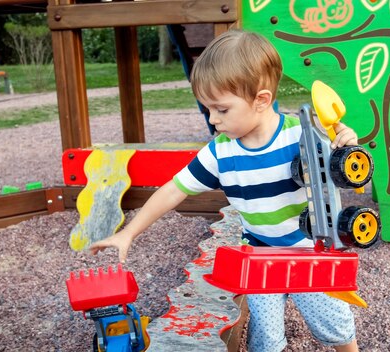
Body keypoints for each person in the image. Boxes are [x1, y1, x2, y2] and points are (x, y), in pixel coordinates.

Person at [89, 29, 360, 352]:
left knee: (334, 325)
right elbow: (174, 190)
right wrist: (129, 232)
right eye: (208, 110)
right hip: (258, 256)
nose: (213, 119)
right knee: (267, 340)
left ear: (261, 100)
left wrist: (345, 143)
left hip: (310, 252)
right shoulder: (221, 152)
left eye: (221, 109)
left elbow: (348, 173)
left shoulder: (302, 136)